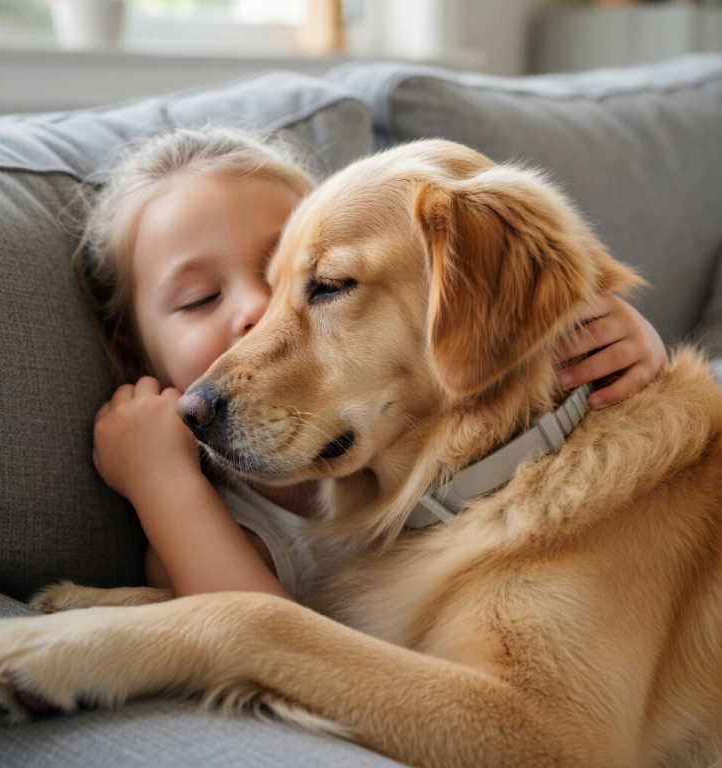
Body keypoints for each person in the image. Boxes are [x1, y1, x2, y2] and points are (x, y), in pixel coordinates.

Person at [77, 125, 668, 605]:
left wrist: (606, 339)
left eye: (314, 283)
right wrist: (166, 485)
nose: (260, 310)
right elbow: (252, 624)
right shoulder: (235, 521)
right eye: (201, 299)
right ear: (140, 356)